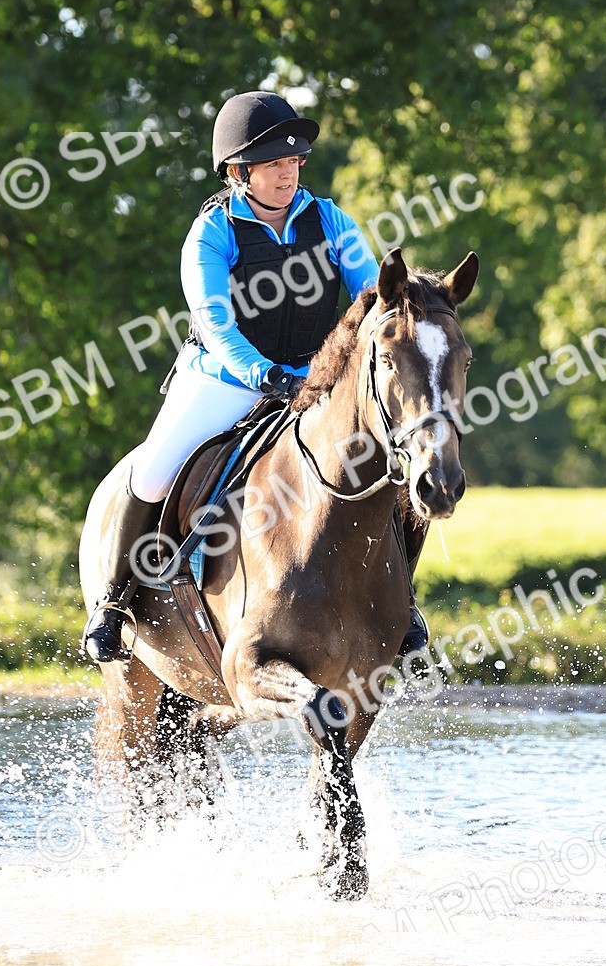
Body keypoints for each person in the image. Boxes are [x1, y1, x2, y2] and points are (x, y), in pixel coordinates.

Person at [82, 90, 429, 663]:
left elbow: (372, 297)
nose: (288, 174)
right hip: (225, 377)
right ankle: (115, 604)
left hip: (316, 382)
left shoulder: (329, 220)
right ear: (239, 171)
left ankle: (401, 602)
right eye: (274, 164)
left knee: (385, 463)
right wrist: (263, 374)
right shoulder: (212, 235)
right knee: (152, 471)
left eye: (293, 163)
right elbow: (215, 322)